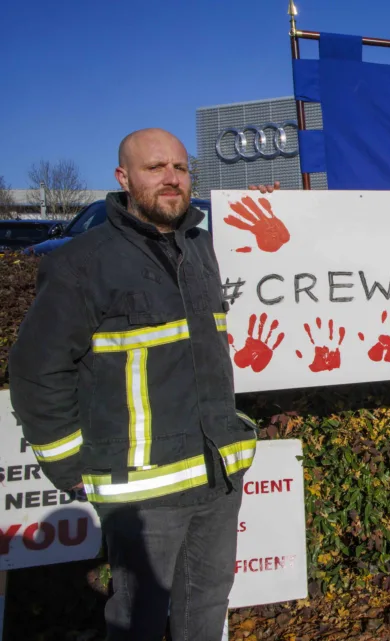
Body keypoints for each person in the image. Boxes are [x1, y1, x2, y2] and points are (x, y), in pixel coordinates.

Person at [9, 128, 259, 640]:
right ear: (124, 178)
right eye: (155, 168)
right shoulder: (82, 262)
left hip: (217, 477)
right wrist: (70, 465)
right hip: (143, 493)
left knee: (206, 612)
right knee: (137, 622)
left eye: (180, 168)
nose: (171, 178)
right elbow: (36, 370)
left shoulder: (203, 249)